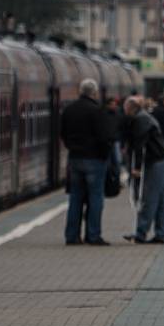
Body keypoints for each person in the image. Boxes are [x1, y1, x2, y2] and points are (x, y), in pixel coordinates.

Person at [62, 78, 112, 246]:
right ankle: (93, 235)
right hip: (95, 160)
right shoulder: (97, 111)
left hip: (75, 158)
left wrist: (72, 147)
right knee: (95, 197)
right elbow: (104, 137)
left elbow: (62, 133)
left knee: (75, 198)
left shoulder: (69, 110)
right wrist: (105, 156)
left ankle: (72, 236)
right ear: (94, 93)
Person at [121, 95, 164, 245]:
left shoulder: (140, 120)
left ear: (130, 108)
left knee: (149, 198)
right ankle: (161, 233)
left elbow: (139, 145)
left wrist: (135, 167)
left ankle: (140, 233)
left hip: (154, 162)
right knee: (161, 200)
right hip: (161, 160)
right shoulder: (145, 117)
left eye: (125, 109)